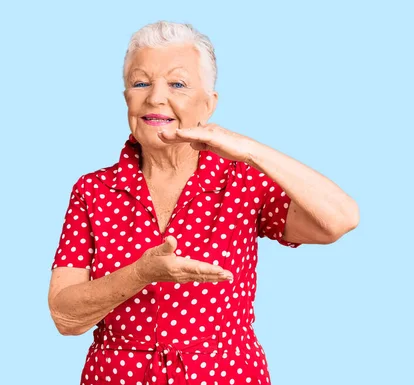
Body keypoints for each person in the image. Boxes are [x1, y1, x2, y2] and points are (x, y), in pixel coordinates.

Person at [48, 21, 359, 385]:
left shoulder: (241, 180)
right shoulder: (93, 190)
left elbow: (340, 218)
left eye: (177, 84)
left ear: (208, 104)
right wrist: (141, 273)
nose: (155, 98)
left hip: (225, 374)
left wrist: (248, 149)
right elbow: (65, 316)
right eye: (140, 82)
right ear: (126, 99)